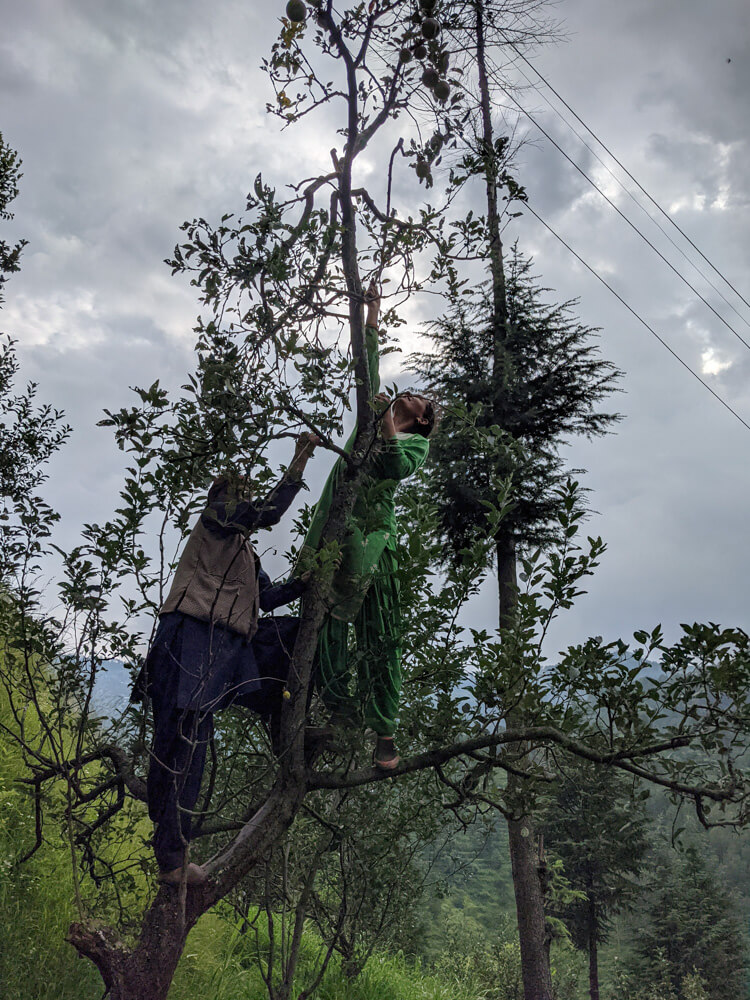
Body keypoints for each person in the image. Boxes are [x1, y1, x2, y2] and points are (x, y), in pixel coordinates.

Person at [138, 433, 318, 886]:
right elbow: (269, 513)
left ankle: (286, 724)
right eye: (238, 494)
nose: (244, 501)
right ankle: (173, 859)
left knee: (292, 634)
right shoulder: (215, 519)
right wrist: (299, 461)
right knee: (183, 744)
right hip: (193, 639)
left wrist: (307, 582)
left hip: (223, 648)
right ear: (222, 499)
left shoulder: (241, 549)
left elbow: (268, 598)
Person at [296, 281, 435, 770]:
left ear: (421, 423)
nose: (417, 395)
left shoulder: (412, 442)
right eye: (412, 395)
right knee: (327, 629)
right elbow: (367, 365)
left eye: (422, 404)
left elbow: (396, 467)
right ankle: (339, 717)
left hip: (375, 542)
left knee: (381, 634)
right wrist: (371, 311)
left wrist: (386, 425)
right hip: (335, 532)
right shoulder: (372, 412)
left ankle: (385, 734)